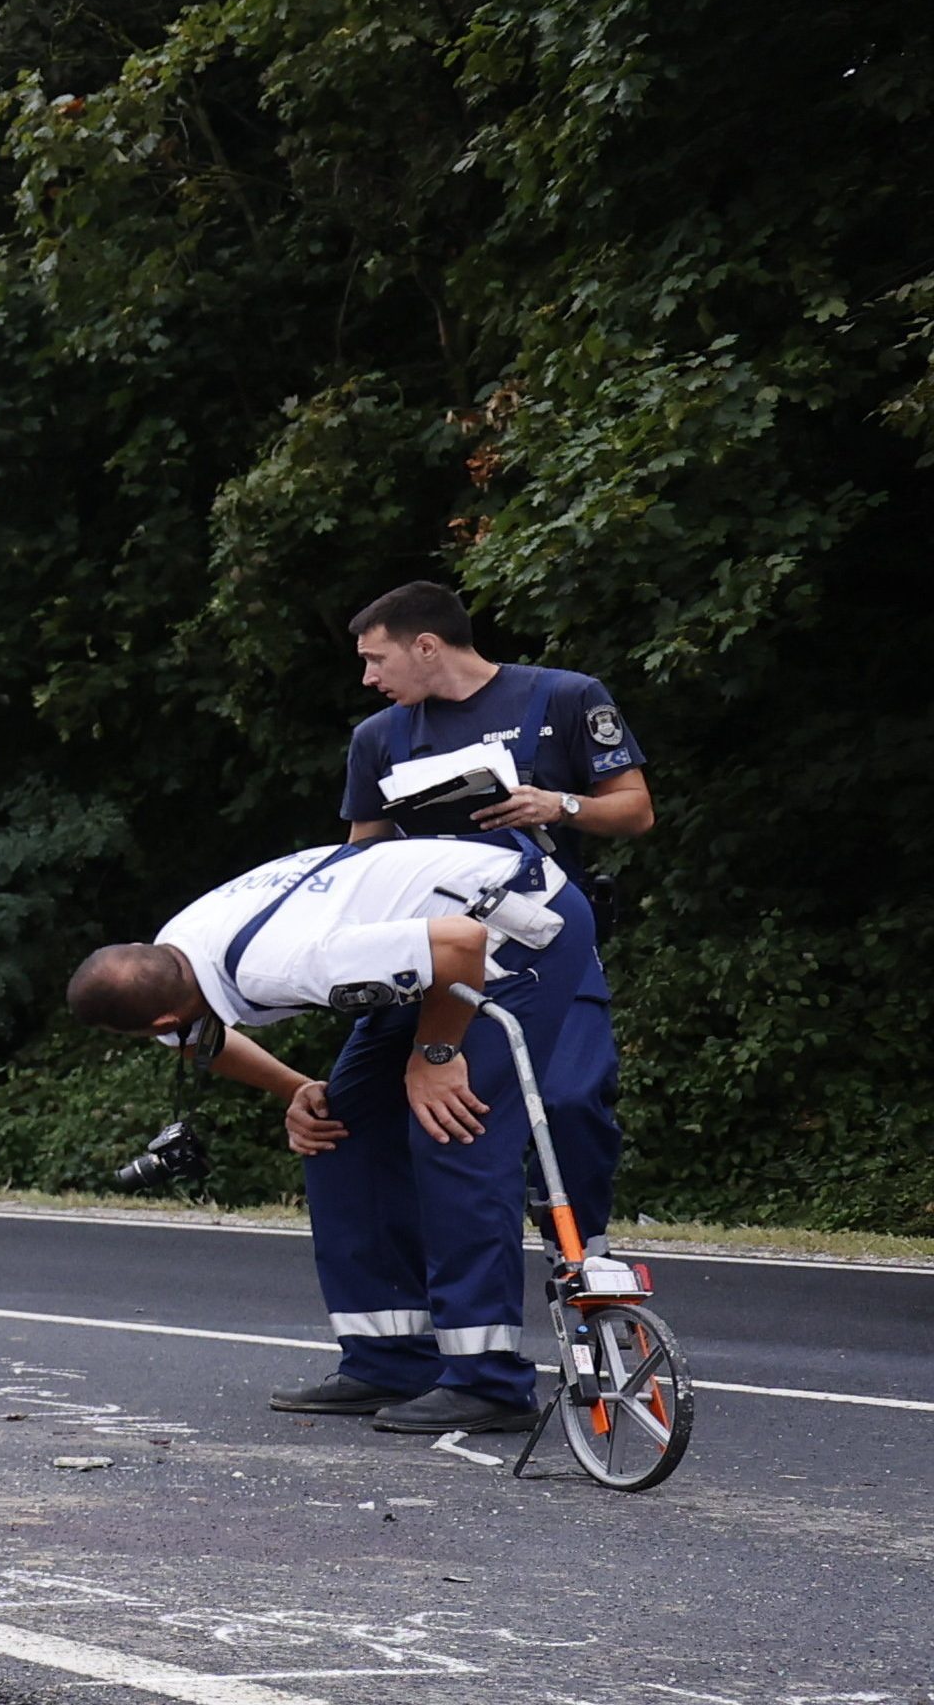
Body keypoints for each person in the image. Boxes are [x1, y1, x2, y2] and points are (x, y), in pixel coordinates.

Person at [63, 833, 617, 1434]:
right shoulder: (174, 957)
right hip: (431, 942)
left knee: (454, 1134)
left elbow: (461, 944)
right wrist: (298, 1090)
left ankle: (489, 1381)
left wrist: (435, 1056)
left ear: (159, 1017)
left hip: (514, 926)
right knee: (340, 1131)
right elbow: (200, 1039)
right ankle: (392, 1361)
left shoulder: (287, 962)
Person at [343, 581, 650, 863]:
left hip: (548, 913)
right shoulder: (376, 735)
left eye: (377, 659)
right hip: (433, 918)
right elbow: (363, 858)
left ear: (427, 647)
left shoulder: (567, 697)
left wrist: (561, 806)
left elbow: (638, 813)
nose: (368, 678)